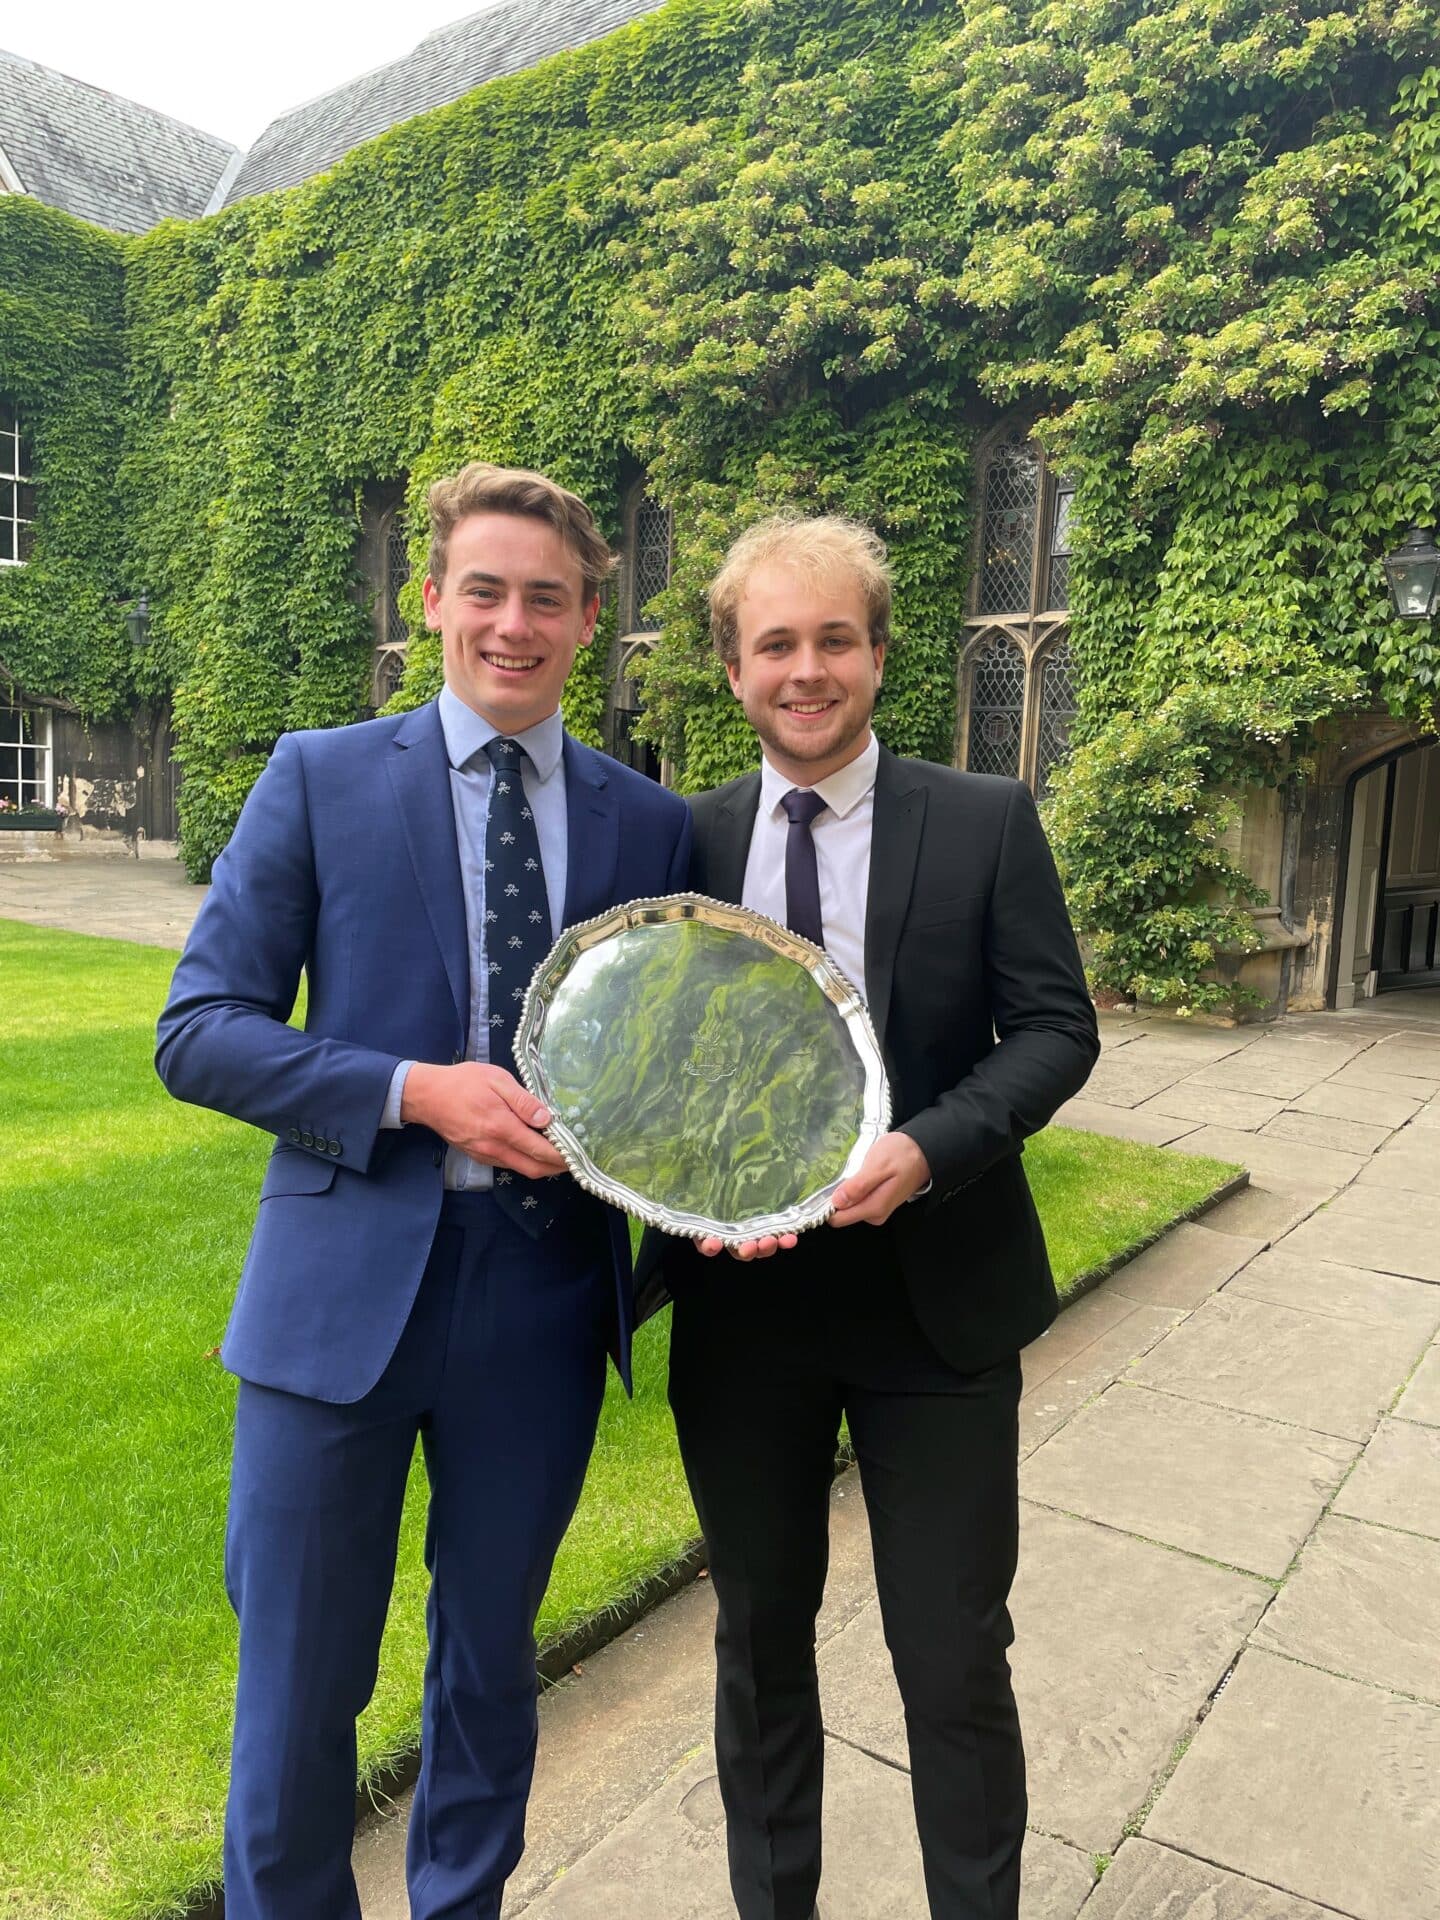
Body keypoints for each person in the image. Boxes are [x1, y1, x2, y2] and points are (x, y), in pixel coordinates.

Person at [155, 462, 691, 1920]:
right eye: (485, 591)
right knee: (298, 1681)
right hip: (339, 1300)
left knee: (487, 1666)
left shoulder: (649, 825)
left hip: (541, 1296)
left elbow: (681, 1060)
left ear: (591, 620)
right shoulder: (320, 777)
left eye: (548, 599)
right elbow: (199, 1031)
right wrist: (409, 1091)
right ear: (435, 604)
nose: (512, 624)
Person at [644, 515, 1099, 1920]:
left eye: (834, 637)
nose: (807, 668)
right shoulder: (685, 840)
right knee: (760, 1642)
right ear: (732, 668)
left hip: (935, 1305)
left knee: (954, 1661)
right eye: (775, 642)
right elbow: (651, 1067)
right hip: (744, 1317)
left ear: (880, 653)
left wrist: (930, 1145)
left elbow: (1053, 1031)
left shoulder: (983, 822)